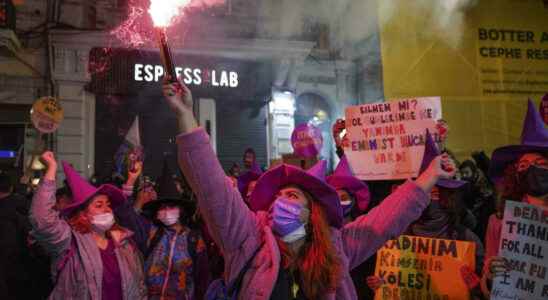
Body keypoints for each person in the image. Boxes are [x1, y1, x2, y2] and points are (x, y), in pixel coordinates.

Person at [162, 79, 457, 299]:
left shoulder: (337, 248)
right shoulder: (248, 240)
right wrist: (185, 116)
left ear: (309, 212)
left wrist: (429, 176)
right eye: (277, 197)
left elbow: (385, 221)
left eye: (291, 196)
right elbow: (212, 188)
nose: (280, 202)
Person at [366, 133, 484, 298]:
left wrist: (477, 288)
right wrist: (384, 286)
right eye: (424, 194)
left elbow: (484, 289)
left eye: (435, 194)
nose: (429, 201)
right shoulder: (395, 239)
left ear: (448, 198)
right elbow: (394, 284)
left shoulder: (467, 240)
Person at [29, 151, 147, 299]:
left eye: (108, 204)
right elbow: (42, 219)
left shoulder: (124, 243)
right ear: (83, 215)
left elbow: (140, 286)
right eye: (99, 205)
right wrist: (51, 169)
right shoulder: (69, 241)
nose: (107, 209)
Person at [481, 99, 548, 297]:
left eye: (540, 163)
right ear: (515, 174)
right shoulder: (499, 221)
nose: (531, 169)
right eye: (523, 166)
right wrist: (491, 275)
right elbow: (489, 289)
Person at [119, 160, 209, 300]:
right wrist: (131, 181)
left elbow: (202, 281)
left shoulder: (194, 239)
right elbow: (125, 216)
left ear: (180, 210)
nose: (166, 211)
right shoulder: (151, 231)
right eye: (162, 207)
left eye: (171, 206)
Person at [326, 156, 370, 225]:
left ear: (353, 200)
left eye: (343, 198)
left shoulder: (363, 225)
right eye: (335, 199)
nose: (339, 203)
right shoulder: (326, 226)